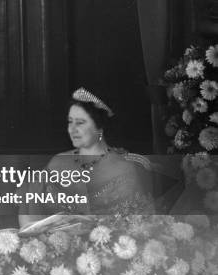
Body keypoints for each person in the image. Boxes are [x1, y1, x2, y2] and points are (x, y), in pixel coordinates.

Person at [18, 88, 154, 229]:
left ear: (99, 126)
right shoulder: (58, 161)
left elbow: (138, 225)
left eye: (80, 122)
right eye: (70, 122)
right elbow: (29, 215)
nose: (72, 129)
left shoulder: (124, 168)